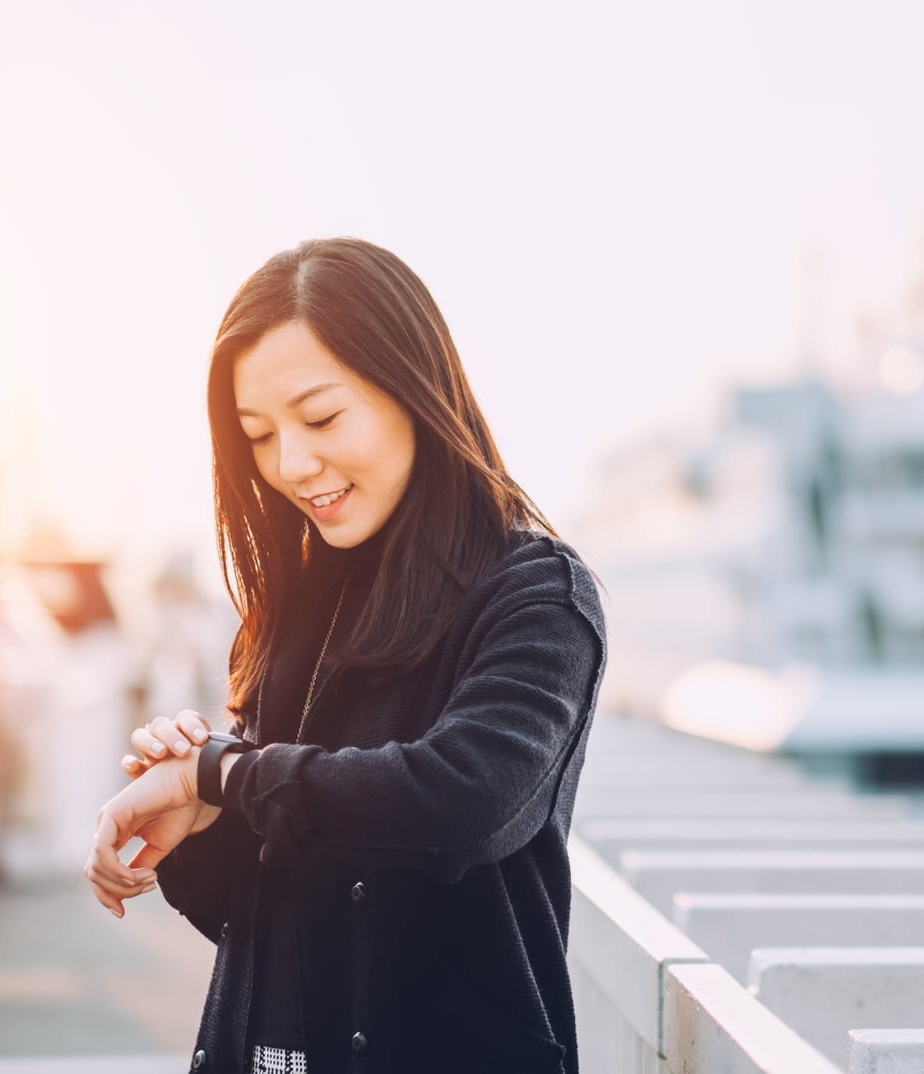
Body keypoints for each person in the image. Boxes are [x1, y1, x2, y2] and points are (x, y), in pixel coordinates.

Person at [85, 237, 606, 1074]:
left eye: (322, 418)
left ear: (414, 388)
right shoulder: (293, 606)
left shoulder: (537, 595)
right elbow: (264, 915)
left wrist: (222, 774)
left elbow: (460, 803)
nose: (292, 465)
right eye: (258, 435)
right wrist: (199, 825)